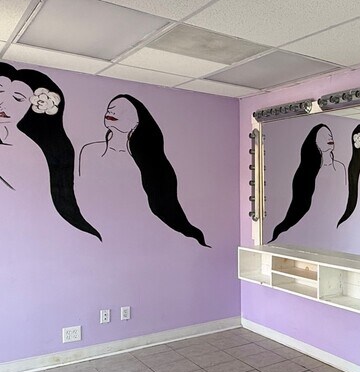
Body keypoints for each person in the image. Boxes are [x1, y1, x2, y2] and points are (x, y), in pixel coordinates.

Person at [79, 94, 208, 247]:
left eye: (123, 111)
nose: (112, 112)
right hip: (97, 230)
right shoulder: (89, 151)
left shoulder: (147, 163)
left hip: (137, 235)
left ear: (137, 122)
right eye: (110, 108)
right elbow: (82, 191)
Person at [0, 61, 101, 239]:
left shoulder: (26, 149)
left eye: (18, 98)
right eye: (0, 92)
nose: (3, 103)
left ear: (33, 107)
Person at [271, 123, 346, 242]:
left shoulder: (341, 168)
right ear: (315, 143)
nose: (329, 138)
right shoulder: (307, 172)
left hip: (335, 225)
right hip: (314, 226)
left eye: (330, 135)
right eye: (323, 136)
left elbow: (343, 197)